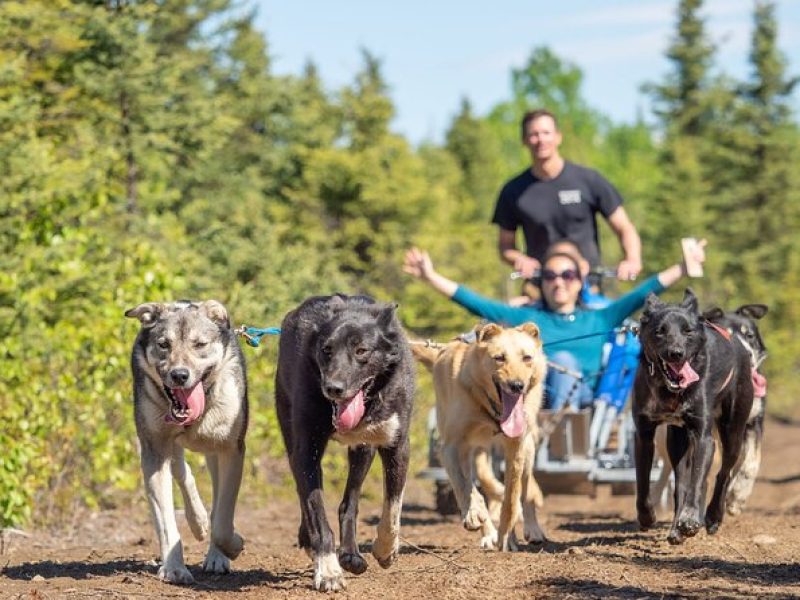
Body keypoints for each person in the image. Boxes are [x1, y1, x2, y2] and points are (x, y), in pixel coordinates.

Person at [403, 241, 706, 410]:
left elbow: (643, 293)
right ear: (541, 281)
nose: (559, 282)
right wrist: (429, 276)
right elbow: (473, 301)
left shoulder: (600, 317)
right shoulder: (527, 321)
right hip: (526, 391)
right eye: (550, 276)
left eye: (567, 275)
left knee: (561, 360)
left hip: (581, 399)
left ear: (581, 281)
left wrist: (682, 265)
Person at [493, 108, 642, 282]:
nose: (540, 139)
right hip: (540, 289)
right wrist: (519, 259)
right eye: (533, 134)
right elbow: (505, 246)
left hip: (588, 287)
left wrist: (632, 259)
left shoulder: (589, 180)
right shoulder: (513, 191)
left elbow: (625, 228)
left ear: (558, 137)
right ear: (524, 141)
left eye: (546, 133)